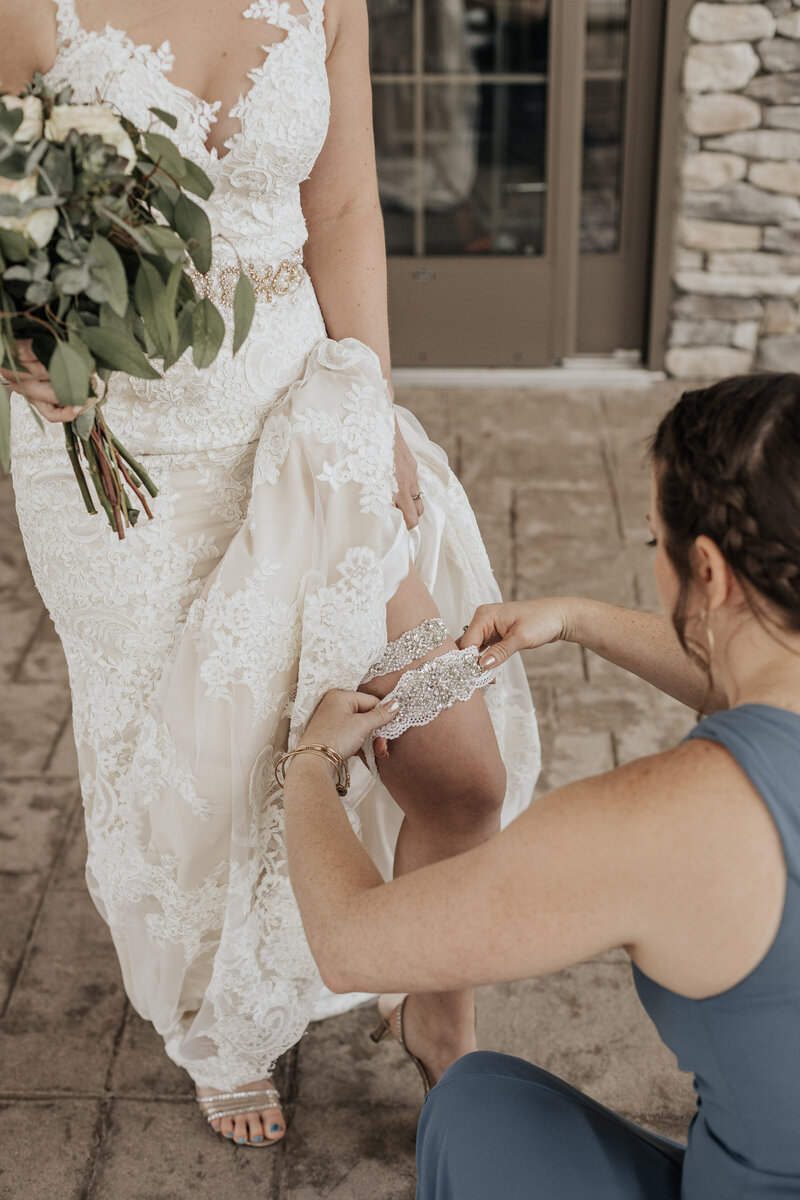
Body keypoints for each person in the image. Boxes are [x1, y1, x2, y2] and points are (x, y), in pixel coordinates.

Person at [0, 0, 539, 1148]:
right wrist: (19, 343)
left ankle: (434, 1005)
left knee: (456, 768)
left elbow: (340, 208)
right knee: (203, 774)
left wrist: (373, 403)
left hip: (301, 413)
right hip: (124, 440)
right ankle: (225, 1022)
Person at [282, 373, 800, 1196]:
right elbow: (760, 685)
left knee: (474, 1107)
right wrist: (578, 618)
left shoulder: (672, 820)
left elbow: (348, 946)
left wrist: (309, 766)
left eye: (653, 546)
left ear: (709, 569)